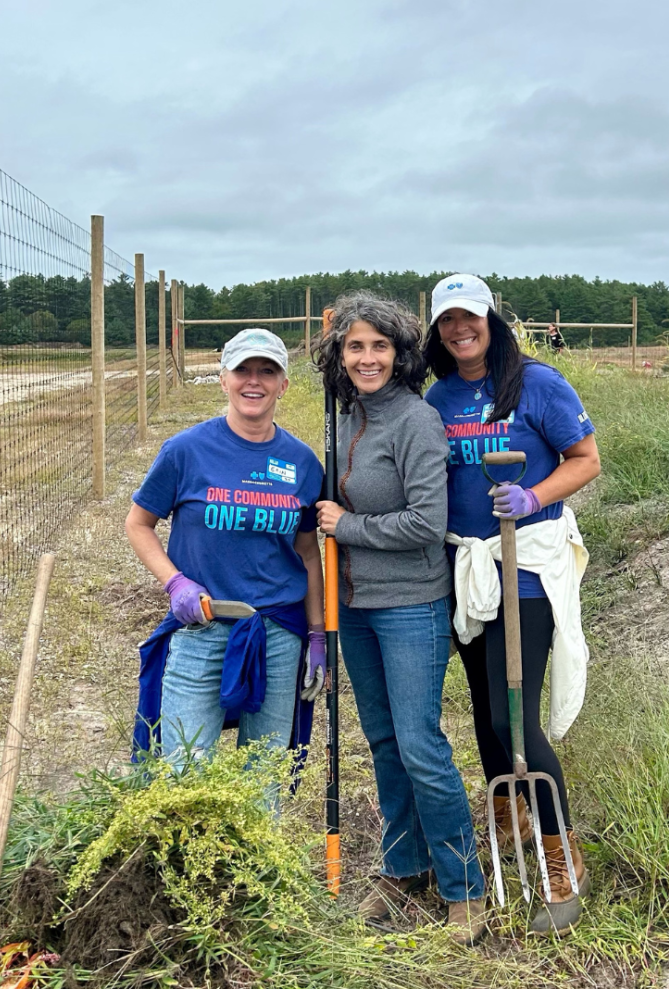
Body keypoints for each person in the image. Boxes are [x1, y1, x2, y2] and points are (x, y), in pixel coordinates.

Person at [423, 273, 601, 935]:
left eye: (470, 317)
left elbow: (585, 459)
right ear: (438, 330)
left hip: (525, 567)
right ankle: (511, 814)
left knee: (513, 718)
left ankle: (562, 857)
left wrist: (534, 496)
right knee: (483, 709)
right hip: (467, 568)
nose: (459, 329)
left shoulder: (538, 384)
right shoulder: (438, 397)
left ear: (491, 321)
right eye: (447, 321)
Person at [313, 292, 488, 946]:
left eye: (379, 346)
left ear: (401, 353)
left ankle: (464, 886)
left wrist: (347, 524)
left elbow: (426, 523)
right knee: (383, 744)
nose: (366, 357)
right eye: (355, 346)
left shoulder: (416, 421)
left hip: (411, 603)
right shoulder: (341, 417)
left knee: (420, 746)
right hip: (352, 605)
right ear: (339, 353)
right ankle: (402, 867)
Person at [125, 329, 325, 793]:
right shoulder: (185, 451)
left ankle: (258, 863)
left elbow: (308, 553)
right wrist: (175, 583)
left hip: (277, 630)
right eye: (243, 371)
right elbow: (138, 524)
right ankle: (186, 861)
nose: (253, 382)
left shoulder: (301, 463)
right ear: (223, 379)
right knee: (183, 766)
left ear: (283, 385)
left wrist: (317, 635)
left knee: (265, 773)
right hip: (201, 625)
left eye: (267, 371)